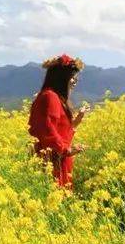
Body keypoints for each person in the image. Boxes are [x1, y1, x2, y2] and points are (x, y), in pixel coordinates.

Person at [28, 53, 90, 188]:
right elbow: (46, 130)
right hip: (52, 162)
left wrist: (76, 122)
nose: (74, 82)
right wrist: (66, 150)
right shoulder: (50, 97)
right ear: (61, 78)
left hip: (57, 159)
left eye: (76, 78)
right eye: (72, 78)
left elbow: (59, 132)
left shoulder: (54, 97)